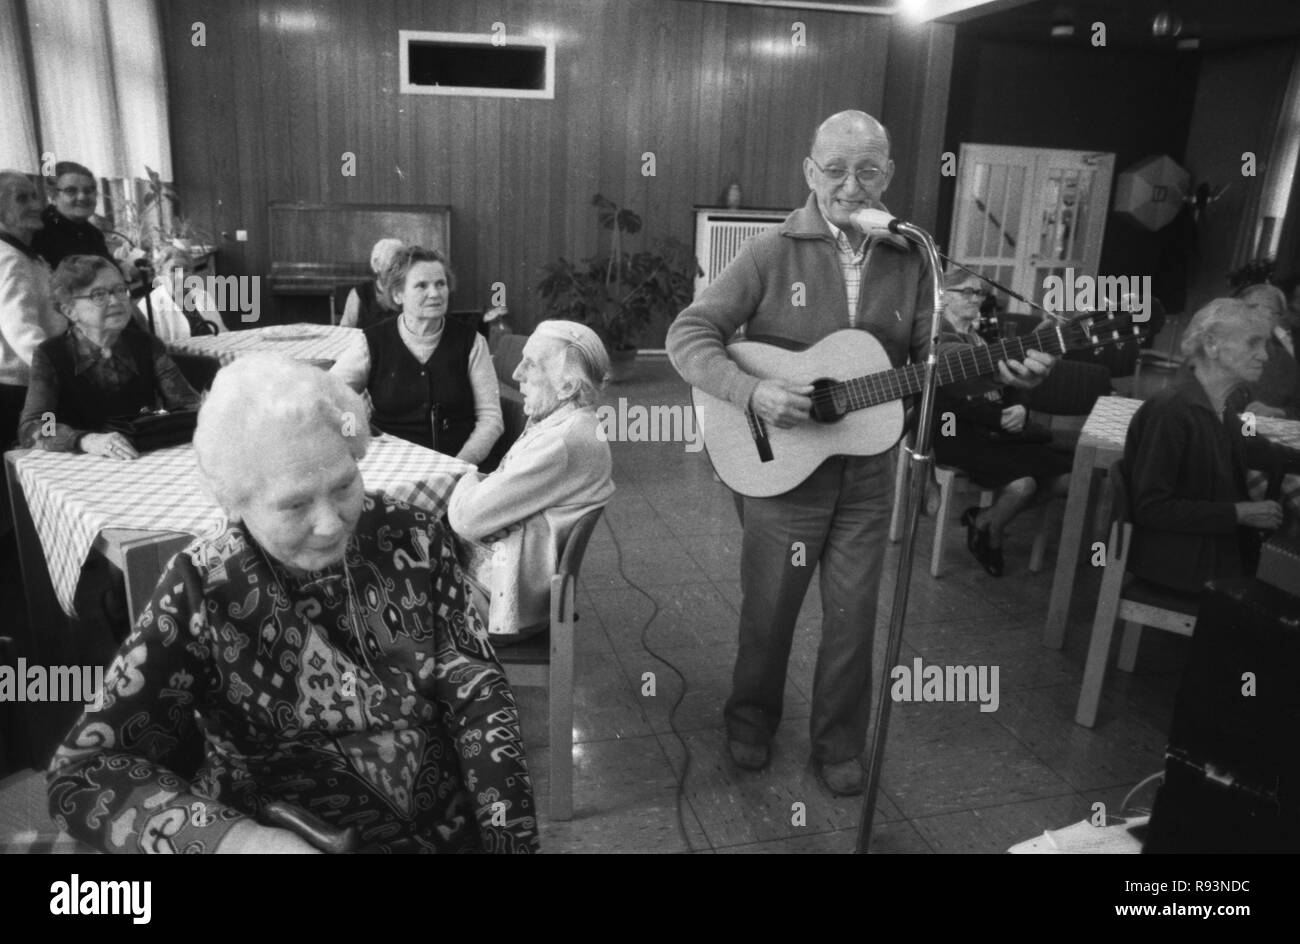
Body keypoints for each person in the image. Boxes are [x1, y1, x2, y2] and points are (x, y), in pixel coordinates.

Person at [666, 111, 1053, 796]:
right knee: (769, 610)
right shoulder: (769, 252)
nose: (851, 183)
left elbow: (937, 356)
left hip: (870, 475)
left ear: (890, 175)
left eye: (867, 169)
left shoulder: (912, 258)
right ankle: (750, 722)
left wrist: (998, 364)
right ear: (811, 172)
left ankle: (840, 744)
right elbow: (690, 334)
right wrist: (751, 392)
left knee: (854, 617)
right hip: (782, 476)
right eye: (836, 168)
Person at [47, 354, 539, 853]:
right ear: (235, 500)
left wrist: (508, 842)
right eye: (295, 504)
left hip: (444, 836)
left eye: (345, 484)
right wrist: (240, 843)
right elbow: (82, 773)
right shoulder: (204, 585)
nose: (330, 523)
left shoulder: (413, 536)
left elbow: (480, 698)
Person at [448, 320, 614, 639]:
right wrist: (484, 492)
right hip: (504, 579)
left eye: (531, 364)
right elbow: (496, 491)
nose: (516, 374)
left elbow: (466, 520)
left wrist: (468, 476)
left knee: (381, 574)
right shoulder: (568, 422)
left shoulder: (561, 441)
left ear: (566, 387)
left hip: (501, 603)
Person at [1124, 298, 1293, 595]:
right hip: (1181, 560)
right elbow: (1150, 508)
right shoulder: (1173, 411)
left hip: (1205, 546)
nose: (1265, 356)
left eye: (1265, 345)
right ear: (1212, 345)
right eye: (1254, 343)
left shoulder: (1220, 404)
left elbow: (1256, 448)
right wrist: (1239, 513)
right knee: (1287, 586)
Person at [932, 269, 1072, 576]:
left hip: (994, 431)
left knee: (1065, 479)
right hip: (954, 432)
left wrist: (1021, 407)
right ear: (942, 296)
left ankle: (985, 518)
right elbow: (948, 402)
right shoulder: (934, 335)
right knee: (1023, 485)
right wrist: (998, 417)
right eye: (965, 291)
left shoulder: (981, 336)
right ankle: (990, 532)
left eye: (980, 292)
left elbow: (1015, 383)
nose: (975, 298)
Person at [332, 246, 503, 464]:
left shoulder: (472, 342)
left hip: (460, 464)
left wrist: (458, 465)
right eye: (422, 285)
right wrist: (353, 444)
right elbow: (332, 395)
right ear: (398, 294)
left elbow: (491, 420)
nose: (435, 293)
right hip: (392, 466)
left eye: (440, 284)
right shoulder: (372, 342)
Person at [18, 255, 199, 457]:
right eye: (99, 294)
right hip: (81, 468)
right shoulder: (51, 355)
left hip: (144, 456)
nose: (116, 301)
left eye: (120, 290)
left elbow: (188, 403)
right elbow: (35, 425)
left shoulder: (146, 345)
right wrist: (83, 439)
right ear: (69, 310)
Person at [0, 170, 63, 447]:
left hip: (28, 380)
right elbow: (21, 330)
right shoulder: (9, 259)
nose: (36, 205)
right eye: (22, 199)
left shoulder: (26, 255)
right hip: (18, 388)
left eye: (35, 196)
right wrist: (63, 370)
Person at [1232, 282, 1299, 420]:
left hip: (1262, 438)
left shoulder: (1285, 362)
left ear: (1277, 318)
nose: (1255, 314)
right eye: (1250, 307)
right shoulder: (1214, 348)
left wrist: (1277, 412)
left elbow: (1297, 410)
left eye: (1267, 310)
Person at [30, 161, 113, 269]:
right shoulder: (38, 232)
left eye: (88, 191)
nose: (82, 197)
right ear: (53, 196)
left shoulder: (93, 233)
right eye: (71, 191)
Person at [134, 246, 223, 340]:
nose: (181, 275)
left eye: (186, 270)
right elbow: (157, 348)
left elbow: (222, 331)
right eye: (174, 269)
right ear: (160, 273)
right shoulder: (148, 306)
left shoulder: (203, 295)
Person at [339, 237, 404, 330]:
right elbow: (345, 330)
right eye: (390, 269)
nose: (395, 274)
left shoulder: (407, 291)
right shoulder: (360, 293)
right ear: (377, 266)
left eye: (399, 268)